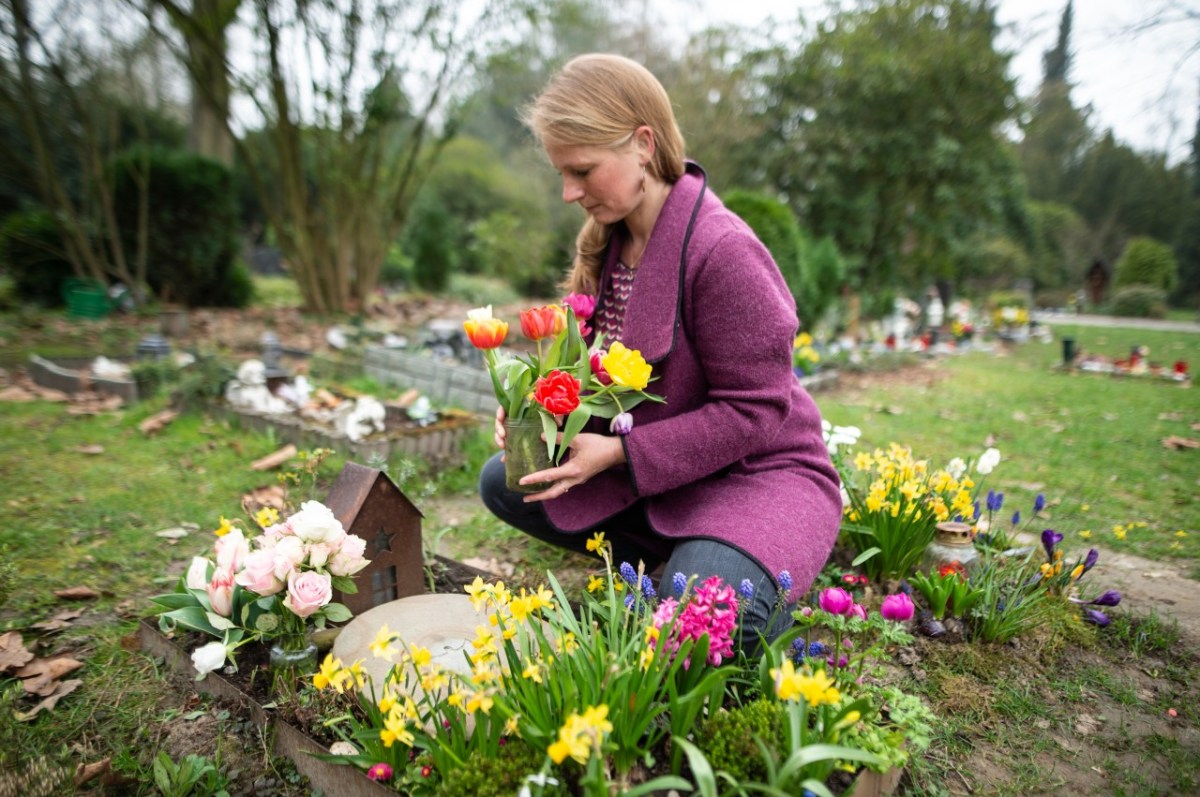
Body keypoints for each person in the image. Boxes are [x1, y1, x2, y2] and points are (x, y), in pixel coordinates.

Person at [478, 54, 842, 649]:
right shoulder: (615, 242)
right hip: (670, 475)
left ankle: (725, 565)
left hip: (758, 475)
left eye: (582, 170)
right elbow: (607, 380)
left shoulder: (723, 252)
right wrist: (543, 415)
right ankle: (689, 558)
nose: (569, 193)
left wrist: (620, 453)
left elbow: (756, 412)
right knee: (507, 479)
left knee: (705, 617)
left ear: (643, 144)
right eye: (561, 174)